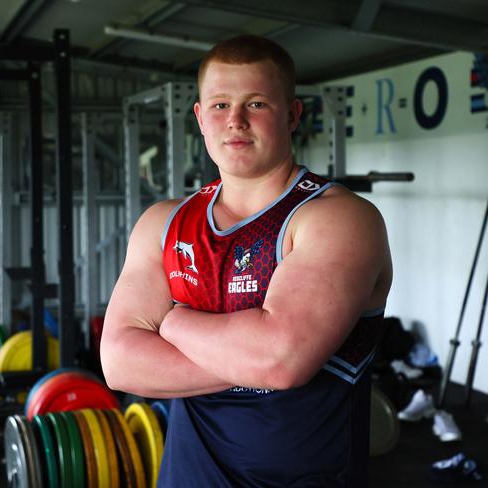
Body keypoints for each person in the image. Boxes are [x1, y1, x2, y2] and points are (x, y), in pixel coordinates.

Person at [101, 34, 392, 488]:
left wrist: (172, 323)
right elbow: (120, 363)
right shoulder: (163, 223)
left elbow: (279, 361)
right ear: (199, 117)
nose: (234, 120)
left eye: (256, 104)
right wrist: (249, 351)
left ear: (293, 115)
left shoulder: (338, 219)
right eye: (219, 105)